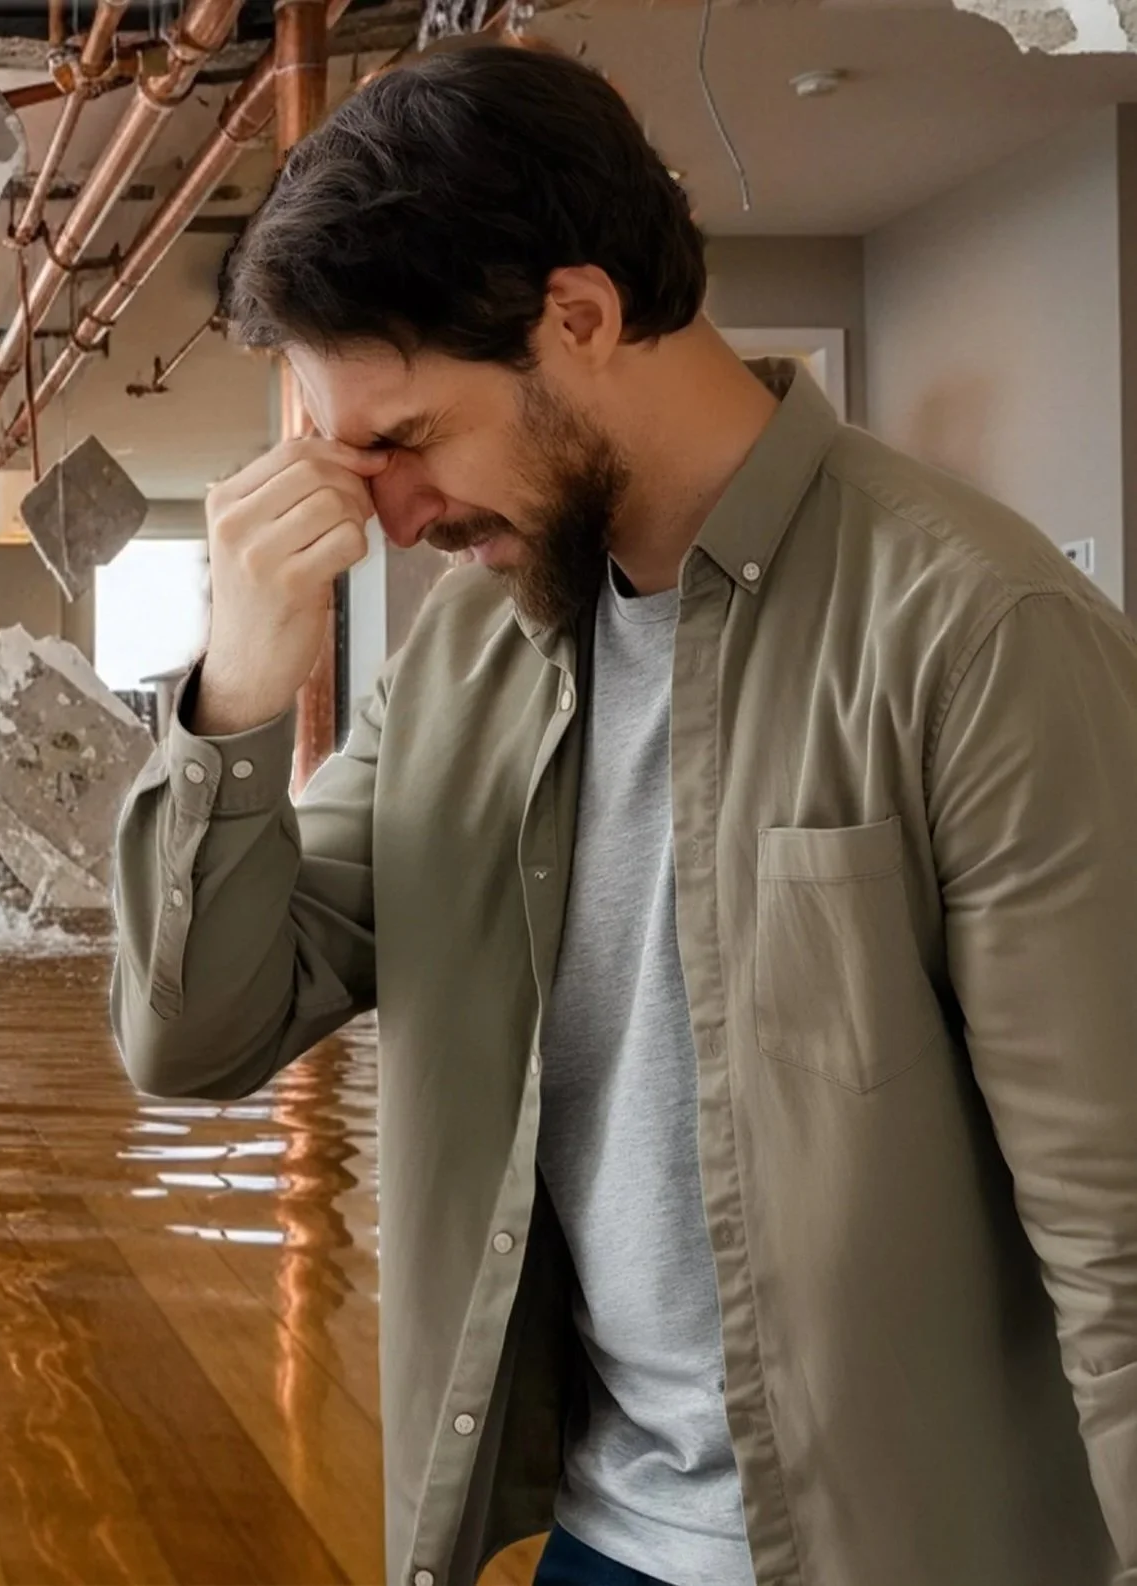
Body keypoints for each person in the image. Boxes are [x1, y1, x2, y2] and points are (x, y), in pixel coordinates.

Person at [108, 42, 1136, 1586]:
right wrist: (239, 687)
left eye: (402, 439)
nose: (380, 516)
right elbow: (193, 1035)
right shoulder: (462, 655)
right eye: (341, 453)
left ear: (577, 318)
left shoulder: (973, 631)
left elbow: (1118, 1245)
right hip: (590, 1538)